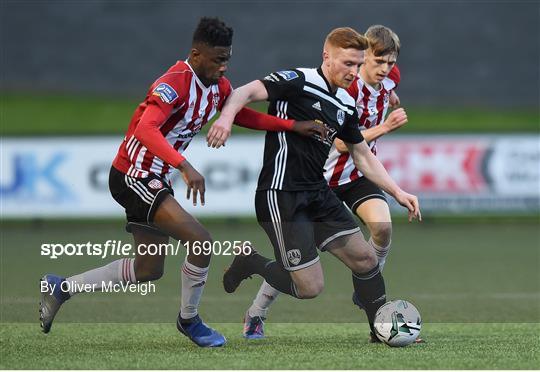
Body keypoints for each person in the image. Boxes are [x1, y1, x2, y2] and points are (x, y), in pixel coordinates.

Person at [39, 17, 326, 348]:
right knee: (201, 241)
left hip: (153, 178)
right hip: (133, 175)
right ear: (196, 53)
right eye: (218, 59)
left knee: (148, 269)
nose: (224, 67)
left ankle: (60, 287)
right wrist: (185, 165)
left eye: (227, 59)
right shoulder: (175, 81)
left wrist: (291, 125)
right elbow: (147, 129)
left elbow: (242, 115)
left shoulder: (217, 87)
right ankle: (189, 320)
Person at [206, 27, 421, 342]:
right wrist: (225, 119)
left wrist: (398, 192)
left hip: (318, 193)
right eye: (347, 64)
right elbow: (244, 92)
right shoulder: (298, 80)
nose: (353, 71)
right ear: (327, 57)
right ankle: (251, 261)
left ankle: (380, 330)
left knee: (366, 259)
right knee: (310, 288)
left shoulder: (346, 104)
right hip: (282, 196)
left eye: (357, 63)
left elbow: (362, 156)